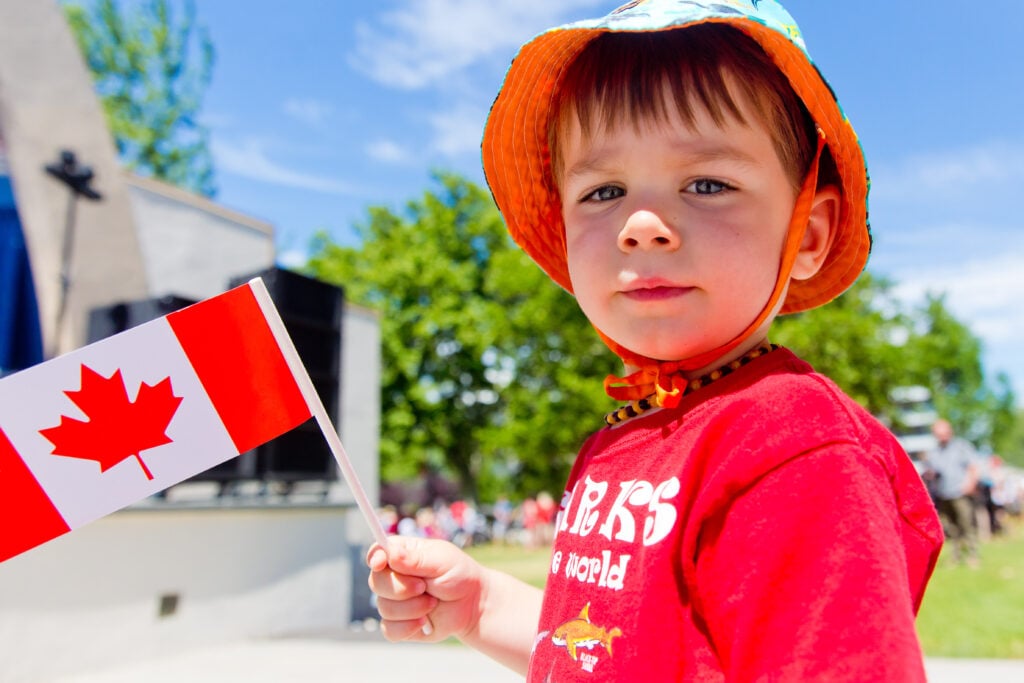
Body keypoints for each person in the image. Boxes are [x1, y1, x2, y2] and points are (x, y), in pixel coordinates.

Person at [367, 1, 944, 679]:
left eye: (707, 183)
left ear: (809, 234)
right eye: (604, 189)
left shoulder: (795, 447)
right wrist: (481, 603)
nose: (641, 224)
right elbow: (608, 647)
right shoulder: (626, 434)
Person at [924, 418, 981, 566]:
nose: (942, 436)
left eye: (945, 433)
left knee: (966, 524)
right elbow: (932, 472)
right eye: (939, 434)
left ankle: (972, 555)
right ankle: (955, 556)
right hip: (943, 494)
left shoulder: (961, 447)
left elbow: (973, 467)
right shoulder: (934, 452)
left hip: (960, 492)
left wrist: (970, 484)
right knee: (951, 528)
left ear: (950, 432)